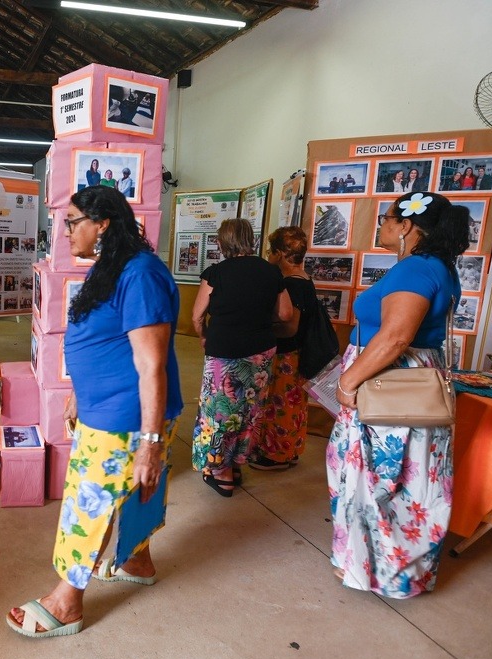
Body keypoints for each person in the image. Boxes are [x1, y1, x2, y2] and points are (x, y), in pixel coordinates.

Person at [6, 186, 183, 638]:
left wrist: (150, 443)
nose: (65, 232)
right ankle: (137, 562)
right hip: (105, 406)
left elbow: (151, 364)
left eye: (72, 222)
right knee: (137, 493)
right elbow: (103, 339)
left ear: (102, 224)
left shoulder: (141, 274)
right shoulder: (113, 267)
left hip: (126, 416)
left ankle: (66, 601)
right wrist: (79, 392)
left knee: (90, 503)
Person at [329, 191, 469, 599]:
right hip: (408, 382)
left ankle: (376, 569)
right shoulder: (436, 266)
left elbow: (395, 338)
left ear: (406, 225)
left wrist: (347, 383)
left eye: (387, 219)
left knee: (380, 475)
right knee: (407, 475)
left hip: (390, 384)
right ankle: (388, 569)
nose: (383, 226)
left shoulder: (416, 269)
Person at [190, 218, 292, 496]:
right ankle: (236, 462)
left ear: (222, 242)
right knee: (249, 410)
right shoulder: (270, 272)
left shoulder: (216, 273)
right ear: (251, 239)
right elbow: (285, 314)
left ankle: (221, 472)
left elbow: (197, 316)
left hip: (224, 351)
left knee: (219, 412)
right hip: (260, 351)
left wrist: (203, 336)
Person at [252, 226, 319, 470]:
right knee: (293, 405)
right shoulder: (305, 279)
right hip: (298, 352)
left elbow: (290, 327)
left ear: (279, 253)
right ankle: (289, 450)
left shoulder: (291, 284)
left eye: (270, 251)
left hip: (286, 354)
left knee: (279, 405)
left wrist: (260, 332)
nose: (268, 256)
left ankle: (275, 454)